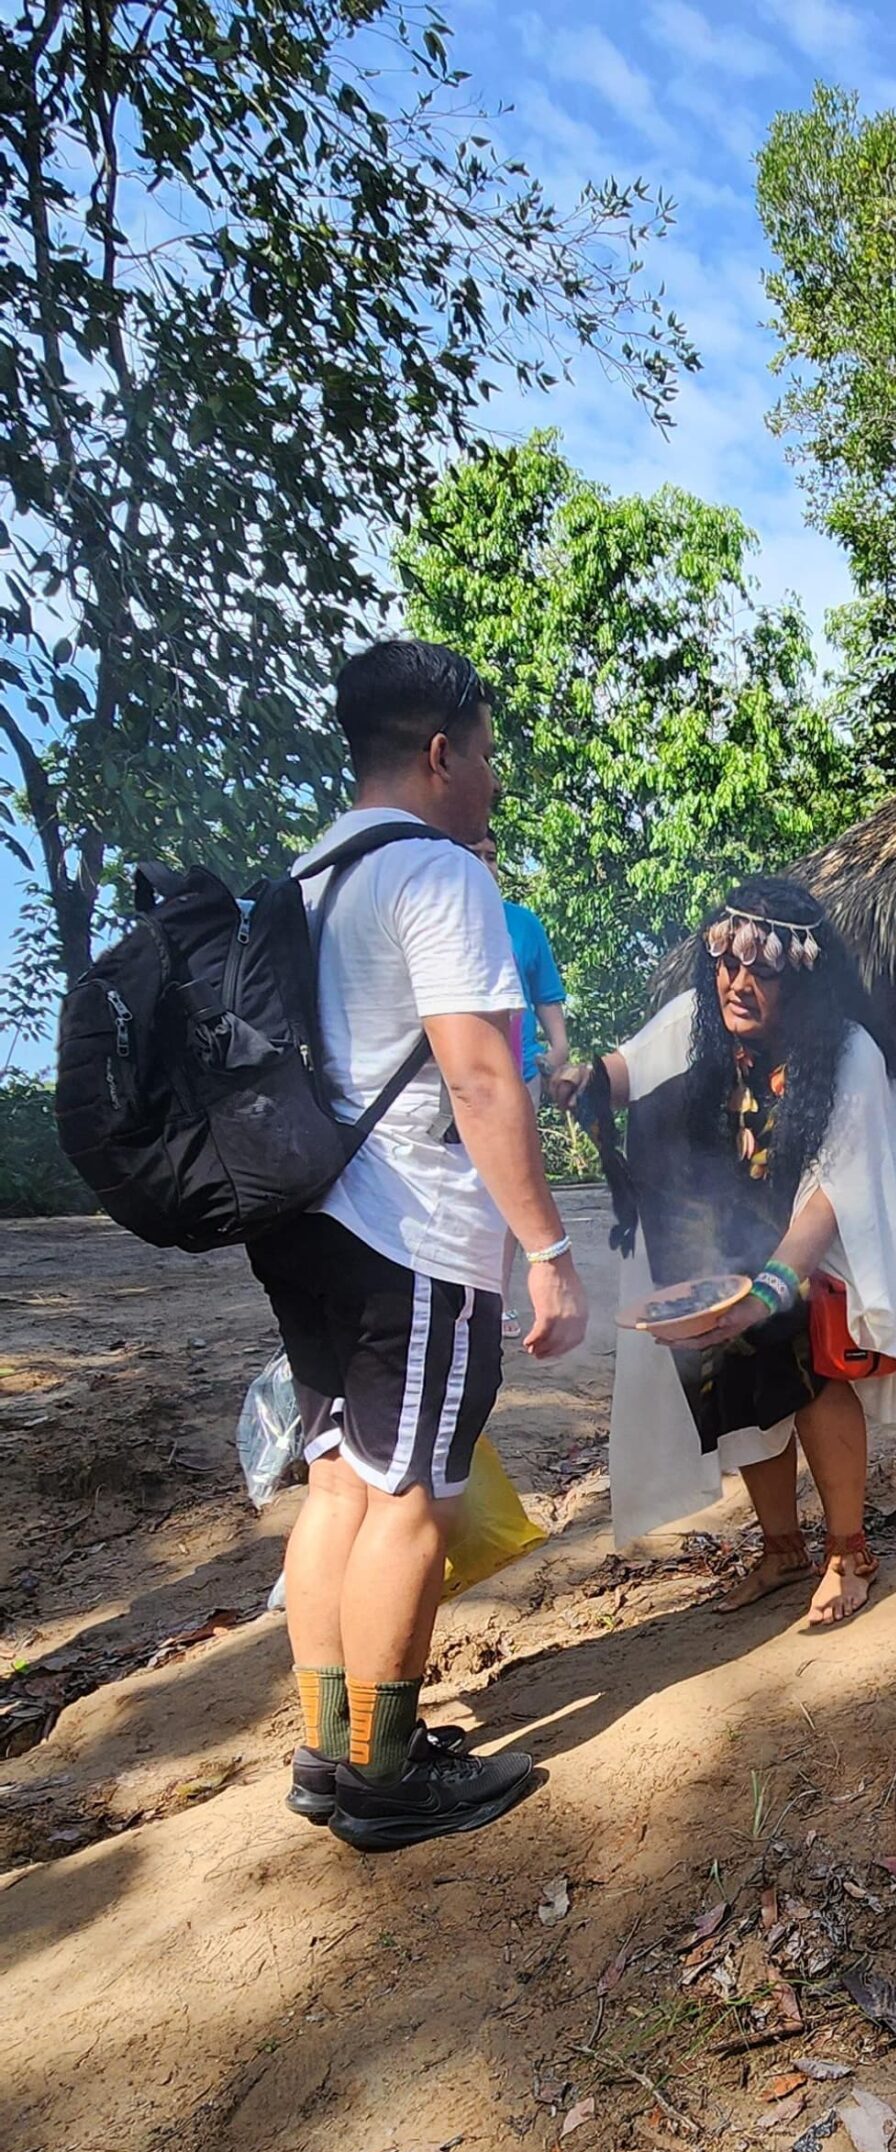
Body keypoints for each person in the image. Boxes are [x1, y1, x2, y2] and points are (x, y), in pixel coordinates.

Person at [249, 640, 588, 1852]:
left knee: (339, 1478)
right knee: (412, 1495)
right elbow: (482, 1071)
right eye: (488, 755)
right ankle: (386, 1780)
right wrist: (545, 1245)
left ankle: (330, 1748)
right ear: (442, 752)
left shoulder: (306, 876)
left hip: (309, 1224)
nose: (493, 781)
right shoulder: (439, 875)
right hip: (413, 1233)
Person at [567, 877, 896, 1629]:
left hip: (811, 1250)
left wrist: (769, 1289)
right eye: (726, 963)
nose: (737, 983)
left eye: (759, 969)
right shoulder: (701, 1021)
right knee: (741, 1381)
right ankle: (781, 1549)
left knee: (809, 1376)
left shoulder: (848, 1054)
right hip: (733, 1243)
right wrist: (575, 1081)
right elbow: (629, 1068)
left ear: (799, 974)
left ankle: (848, 1552)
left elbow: (840, 1191)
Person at [472, 831, 571, 1335]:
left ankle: (496, 1300)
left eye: (491, 856)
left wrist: (558, 1047)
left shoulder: (522, 923)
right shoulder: (443, 917)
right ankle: (467, 1297)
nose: (485, 864)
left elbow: (547, 995)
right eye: (474, 855)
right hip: (458, 1083)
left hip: (521, 1077)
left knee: (509, 1185)